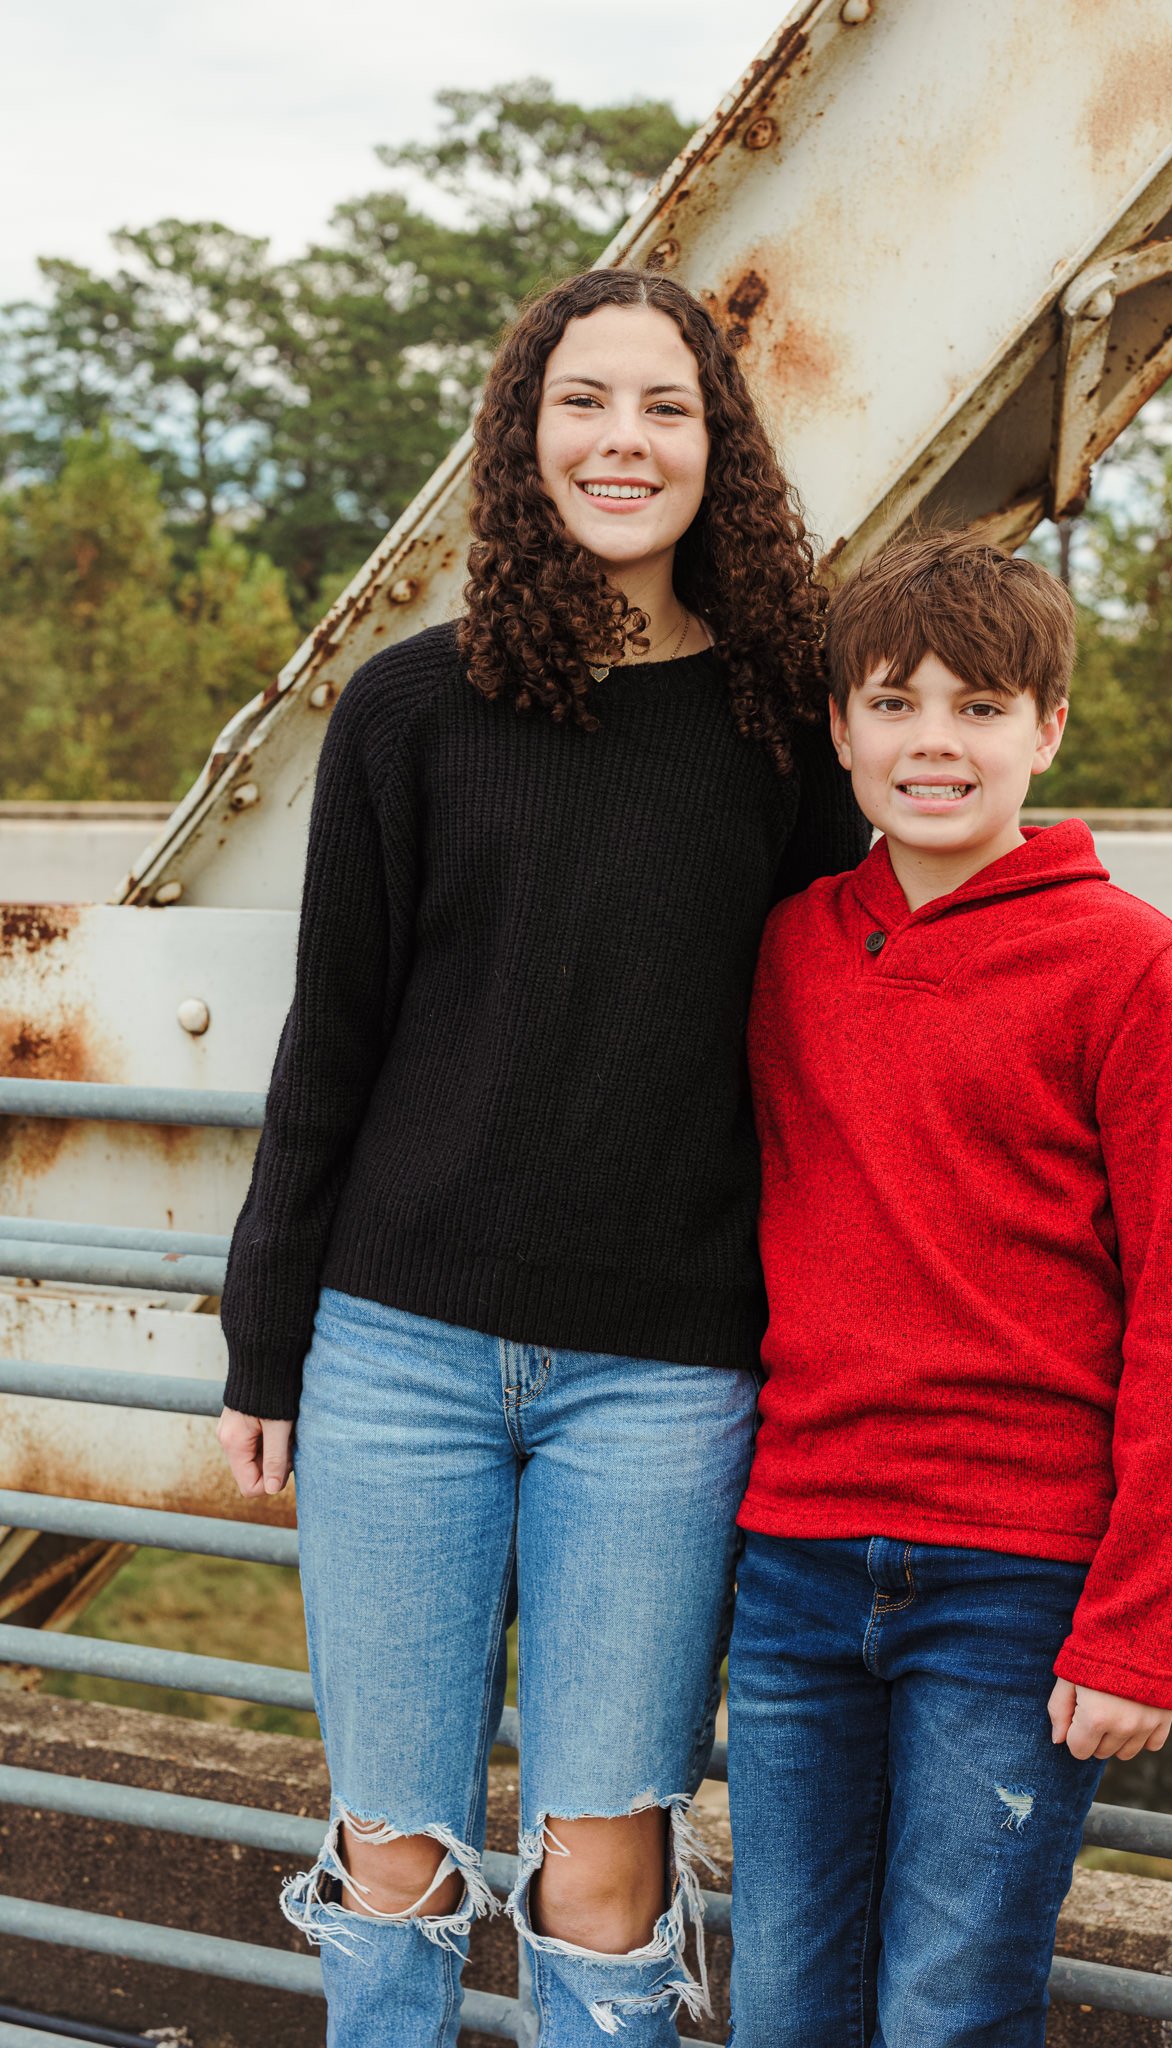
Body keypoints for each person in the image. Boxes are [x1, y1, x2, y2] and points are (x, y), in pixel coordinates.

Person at [214, 266, 868, 2046]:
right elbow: (327, 1038)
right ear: (523, 441)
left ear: (715, 445)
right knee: (396, 1853)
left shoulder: (777, 720)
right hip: (396, 1351)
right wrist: (263, 1329)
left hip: (661, 1375)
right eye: (583, 402)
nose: (622, 441)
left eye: (665, 406)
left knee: (603, 1865)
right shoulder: (408, 711)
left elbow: (857, 1014)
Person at [725, 532, 1172, 2047]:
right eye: (891, 703)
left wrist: (1135, 1624)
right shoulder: (788, 955)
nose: (932, 741)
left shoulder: (1130, 967)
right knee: (783, 1998)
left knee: (949, 2006)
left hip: (1015, 1581)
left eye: (978, 706)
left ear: (1047, 729)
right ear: (837, 731)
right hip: (796, 1559)